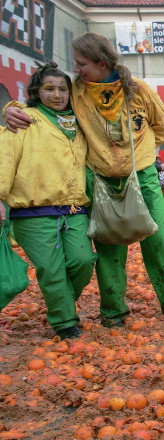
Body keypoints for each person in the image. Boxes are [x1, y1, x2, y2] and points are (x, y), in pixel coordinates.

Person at [4, 32, 164, 327]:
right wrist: (10, 110)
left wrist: (138, 155)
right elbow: (41, 108)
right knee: (108, 246)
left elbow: (162, 127)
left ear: (102, 63)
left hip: (141, 178)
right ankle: (113, 312)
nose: (76, 70)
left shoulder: (139, 90)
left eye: (81, 64)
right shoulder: (76, 91)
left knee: (159, 242)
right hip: (100, 180)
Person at [0, 62, 96, 339]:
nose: (57, 95)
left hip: (75, 209)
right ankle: (64, 321)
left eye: (63, 89)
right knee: (50, 269)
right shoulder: (23, 119)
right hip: (33, 212)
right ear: (36, 91)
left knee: (83, 260)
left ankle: (62, 301)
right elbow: (5, 159)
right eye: (49, 89)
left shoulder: (78, 122)